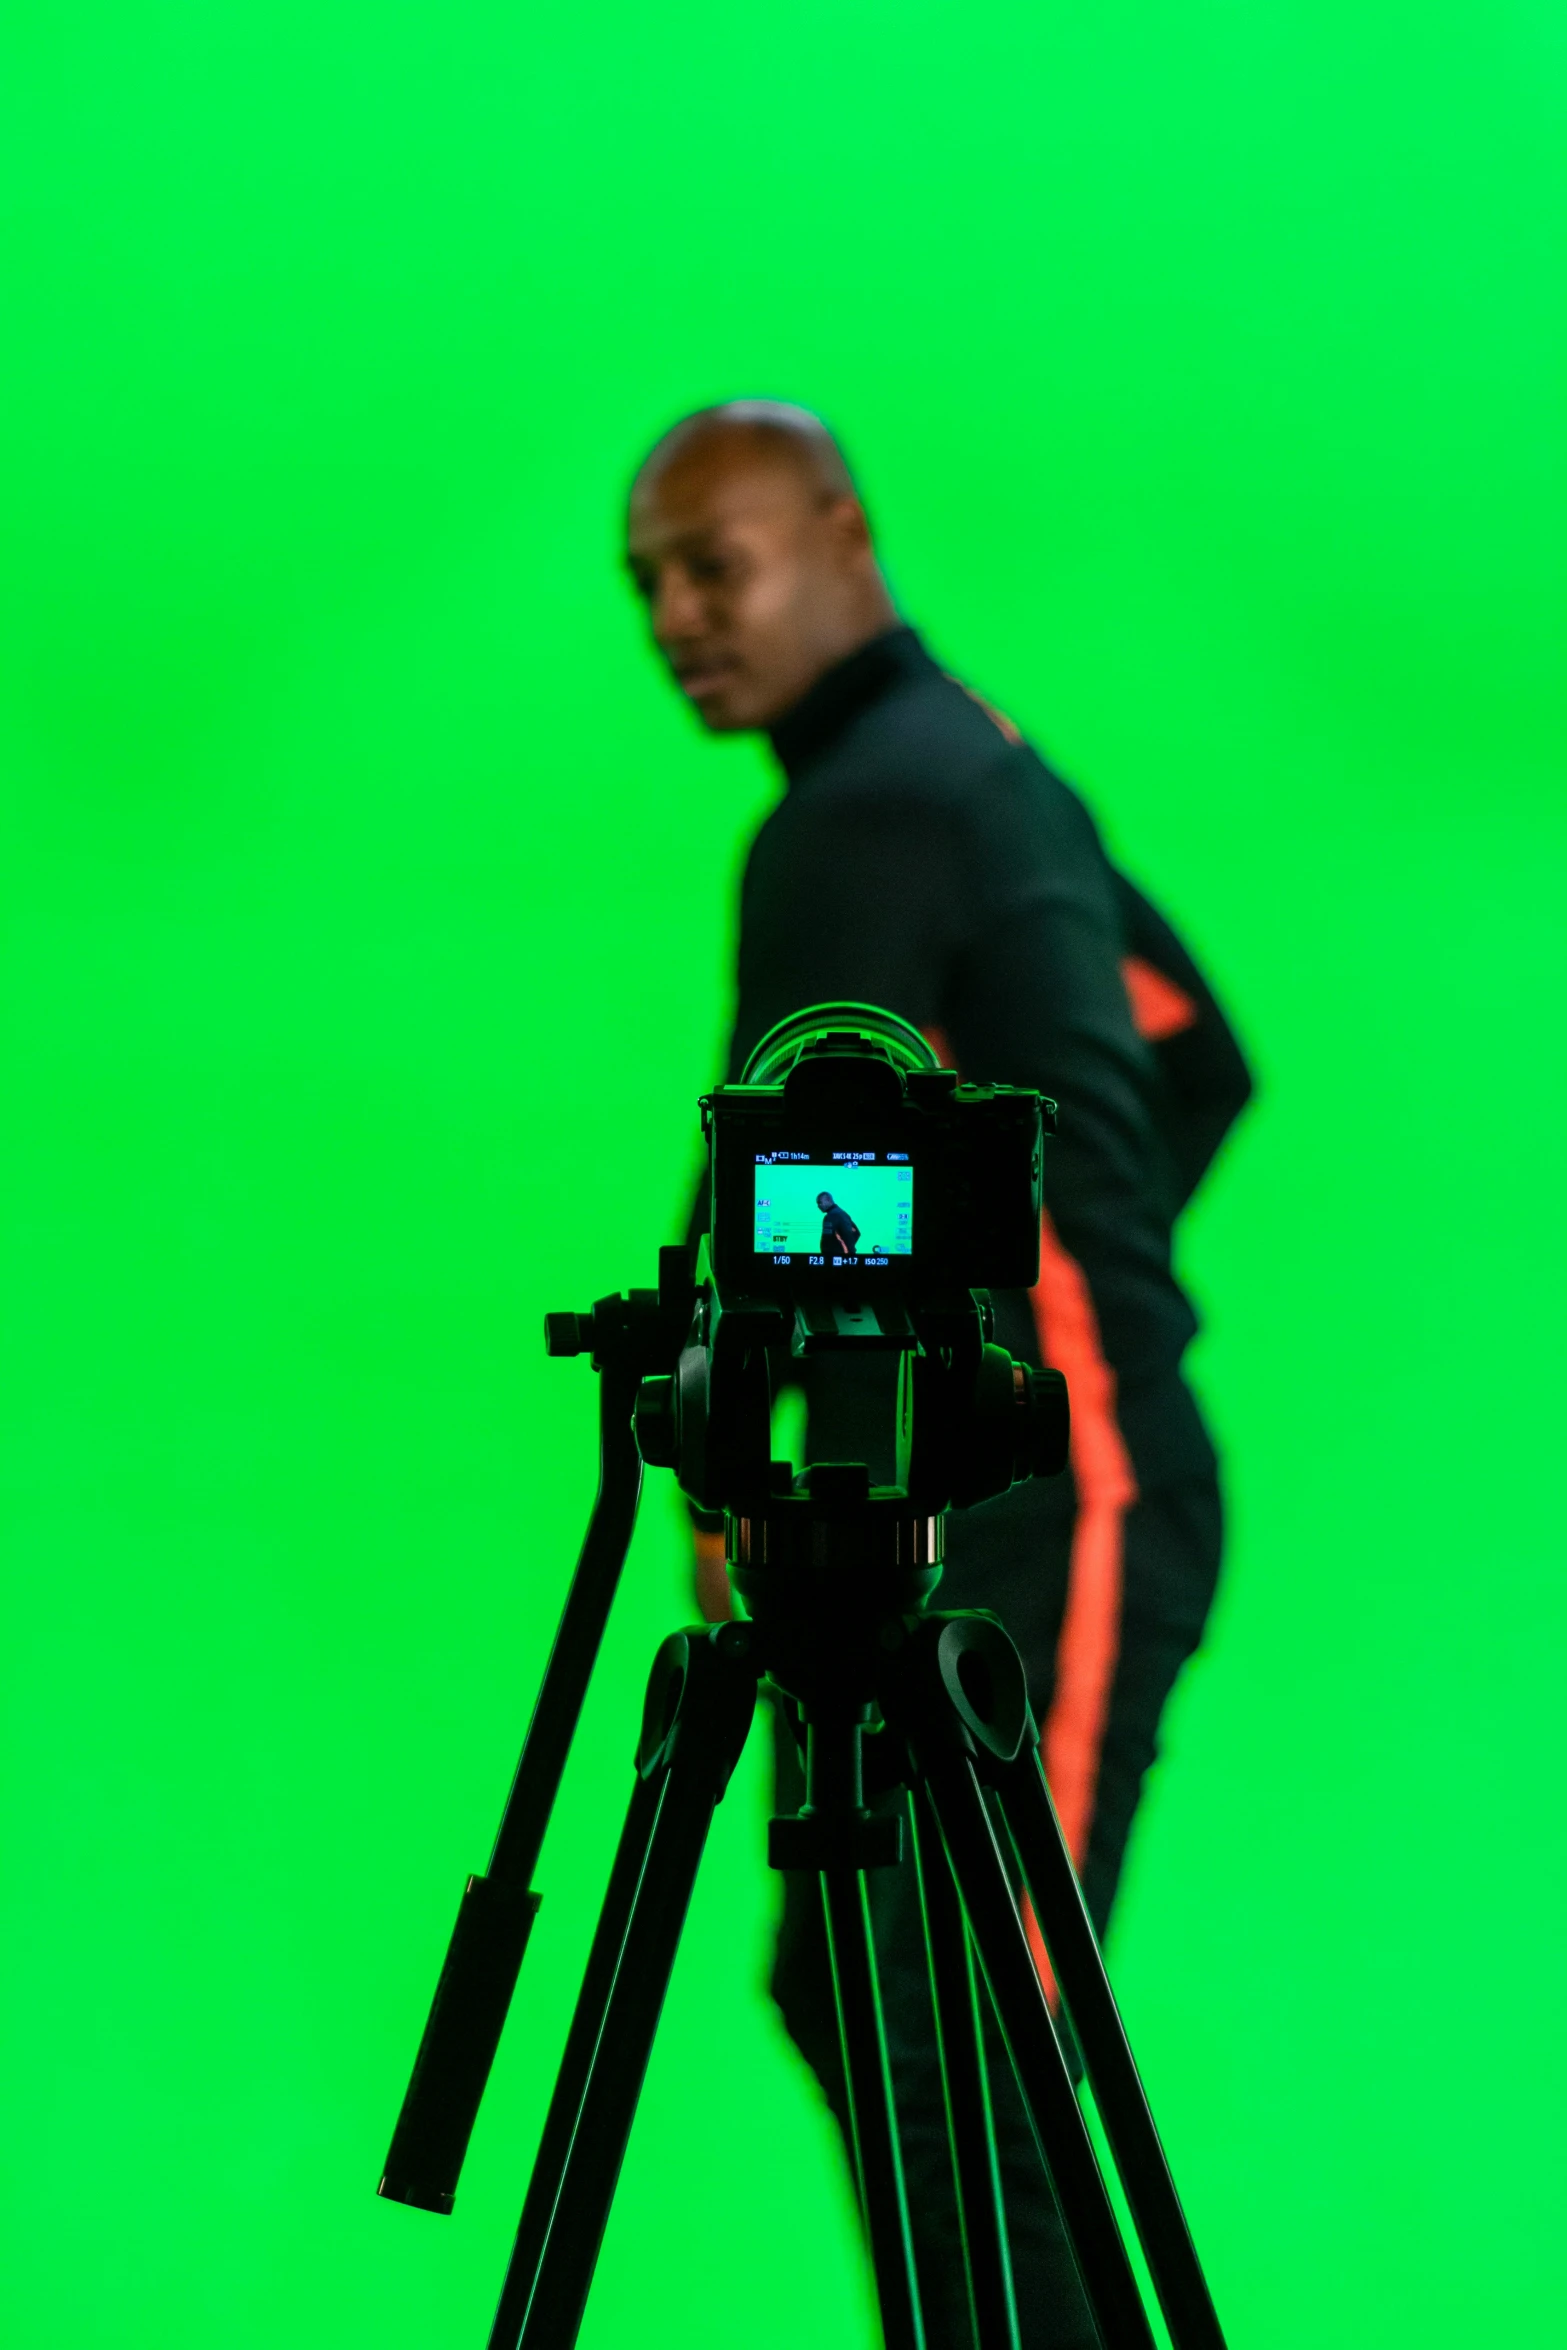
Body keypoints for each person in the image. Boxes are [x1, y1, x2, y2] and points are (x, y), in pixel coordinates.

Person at [625, 400, 1252, 2346]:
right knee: (868, 1992)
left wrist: (734, 1473)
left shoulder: (868, 810)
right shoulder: (981, 772)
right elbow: (1193, 1044)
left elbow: (791, 1188)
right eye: (645, 585)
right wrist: (1055, 1268)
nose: (674, 617)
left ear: (840, 532)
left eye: (712, 566)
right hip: (1005, 1478)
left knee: (954, 2032)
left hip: (1050, 1508)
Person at [817, 1189, 861, 1257]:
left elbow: (827, 1240)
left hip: (834, 1257)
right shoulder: (840, 1214)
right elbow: (856, 1232)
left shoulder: (833, 1215)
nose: (819, 1206)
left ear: (828, 1200)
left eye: (820, 1202)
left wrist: (843, 1250)